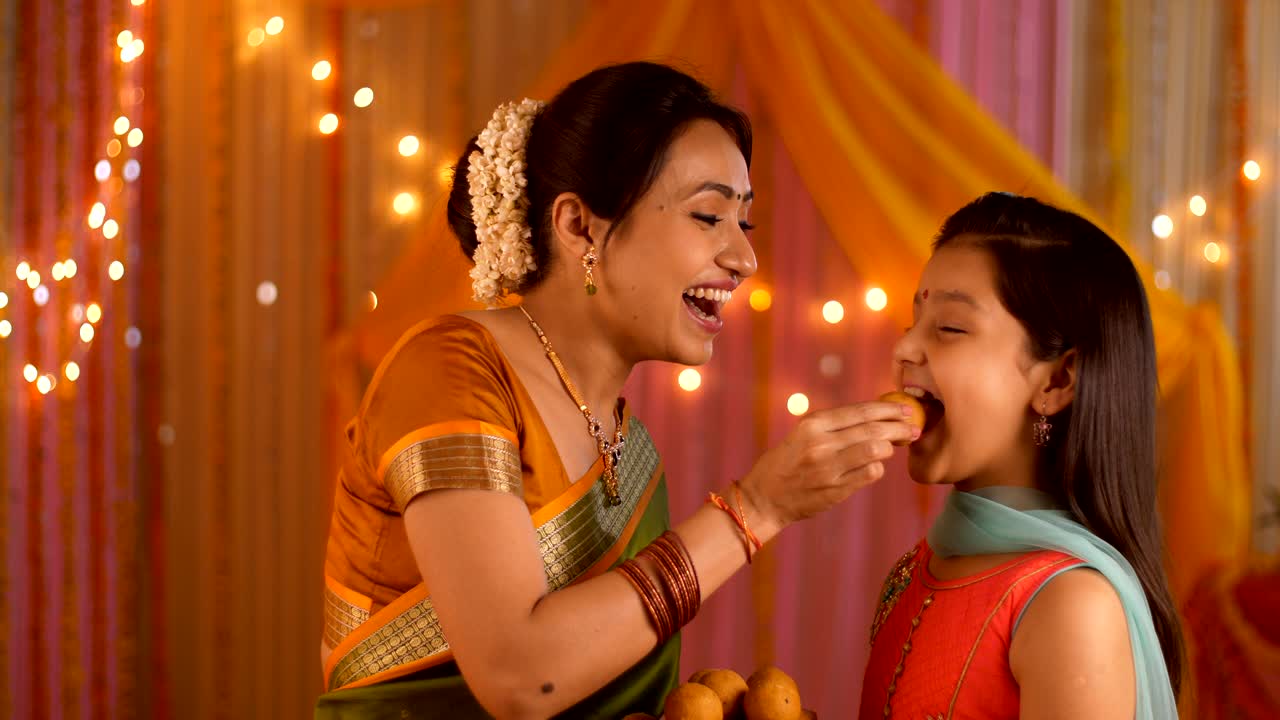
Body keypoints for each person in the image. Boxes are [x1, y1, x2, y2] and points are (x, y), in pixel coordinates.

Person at [316, 61, 918, 719]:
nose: (744, 260)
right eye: (708, 215)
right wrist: (755, 509)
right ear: (580, 226)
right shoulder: (450, 371)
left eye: (742, 224)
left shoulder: (633, 451)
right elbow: (521, 678)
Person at [859, 192, 1183, 719]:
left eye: (950, 328)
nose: (904, 349)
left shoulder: (1071, 604)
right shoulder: (915, 567)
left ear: (1057, 381)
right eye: (913, 322)